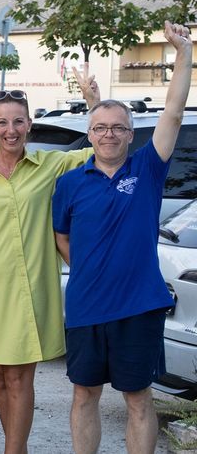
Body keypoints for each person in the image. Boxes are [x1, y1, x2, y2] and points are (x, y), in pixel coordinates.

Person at [53, 22, 193, 454]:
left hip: (140, 306)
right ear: (90, 134)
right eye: (101, 127)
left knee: (138, 398)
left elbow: (172, 111)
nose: (109, 133)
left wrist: (184, 53)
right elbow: (61, 236)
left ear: (132, 135)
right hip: (86, 307)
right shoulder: (71, 183)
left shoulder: (147, 169)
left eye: (118, 127)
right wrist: (92, 269)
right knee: (84, 395)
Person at [0, 70, 99, 454]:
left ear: (29, 124)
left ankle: (13, 451)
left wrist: (94, 102)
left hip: (28, 289)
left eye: (18, 121)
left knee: (19, 377)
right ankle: (14, 447)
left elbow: (101, 148)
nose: (11, 129)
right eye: (2, 121)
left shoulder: (51, 165)